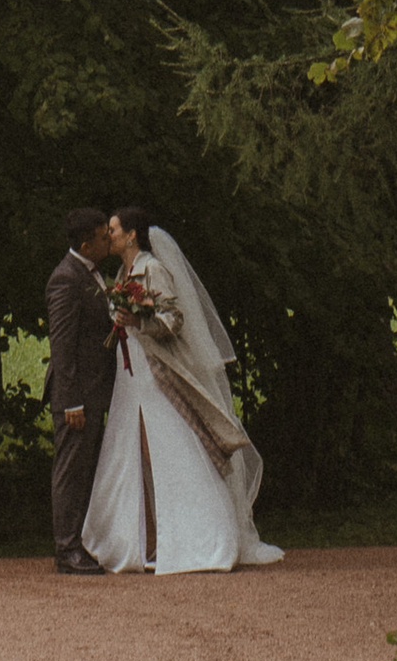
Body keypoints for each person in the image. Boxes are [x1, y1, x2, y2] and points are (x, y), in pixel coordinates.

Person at [83, 205, 283, 575]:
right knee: (135, 449)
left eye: (113, 229)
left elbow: (173, 320)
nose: (107, 235)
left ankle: (196, 536)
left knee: (169, 445)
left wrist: (139, 319)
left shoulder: (153, 268)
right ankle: (144, 539)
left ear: (131, 235)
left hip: (156, 371)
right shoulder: (123, 271)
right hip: (132, 374)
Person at [44, 203, 116, 574]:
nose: (110, 241)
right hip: (76, 396)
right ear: (87, 244)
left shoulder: (91, 273)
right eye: (104, 237)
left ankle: (79, 542)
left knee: (85, 467)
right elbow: (62, 345)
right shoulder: (67, 278)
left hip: (93, 391)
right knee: (71, 470)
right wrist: (71, 400)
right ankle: (67, 549)